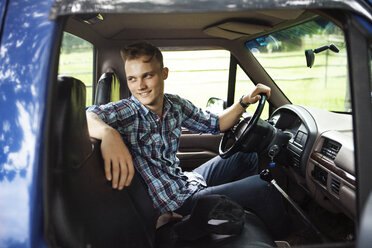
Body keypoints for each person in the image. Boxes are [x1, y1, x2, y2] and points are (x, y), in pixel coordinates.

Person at [86, 41, 288, 238]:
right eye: (132, 79)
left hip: (185, 182)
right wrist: (108, 133)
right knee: (264, 188)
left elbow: (216, 123)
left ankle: (240, 211)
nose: (140, 86)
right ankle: (286, 239)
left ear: (164, 73)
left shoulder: (174, 104)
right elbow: (82, 116)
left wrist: (244, 101)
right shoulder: (125, 112)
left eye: (147, 75)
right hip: (177, 203)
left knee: (246, 155)